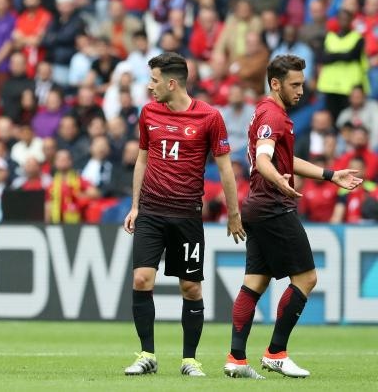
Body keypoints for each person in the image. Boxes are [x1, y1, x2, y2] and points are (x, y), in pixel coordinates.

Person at [224, 55, 362, 379]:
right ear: (276, 83)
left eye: (302, 83)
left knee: (254, 283)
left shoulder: (264, 110)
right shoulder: (273, 114)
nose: (301, 90)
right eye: (294, 84)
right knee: (306, 278)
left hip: (256, 206)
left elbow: (283, 159)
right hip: (273, 206)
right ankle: (276, 352)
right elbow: (263, 160)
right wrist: (280, 182)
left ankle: (236, 358)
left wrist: (330, 174)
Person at [122, 52, 246, 377]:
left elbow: (225, 169)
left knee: (190, 288)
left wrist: (233, 213)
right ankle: (146, 354)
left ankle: (189, 359)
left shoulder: (209, 117)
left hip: (187, 216)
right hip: (151, 211)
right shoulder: (148, 113)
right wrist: (135, 205)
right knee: (141, 278)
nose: (149, 87)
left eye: (153, 80)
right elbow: (142, 161)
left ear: (171, 82)